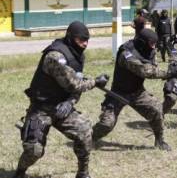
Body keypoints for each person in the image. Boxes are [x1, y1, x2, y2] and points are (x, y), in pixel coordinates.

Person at [14, 21, 109, 178]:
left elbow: (76, 83)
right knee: (34, 151)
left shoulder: (77, 55)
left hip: (62, 107)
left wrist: (70, 101)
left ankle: (83, 173)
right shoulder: (55, 56)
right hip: (41, 108)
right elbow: (75, 84)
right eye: (81, 40)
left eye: (87, 40)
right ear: (70, 37)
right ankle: (20, 172)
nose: (85, 44)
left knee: (84, 131)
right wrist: (95, 82)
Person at [92, 29, 172, 151]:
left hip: (137, 92)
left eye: (155, 43)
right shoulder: (126, 53)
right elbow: (145, 71)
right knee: (107, 123)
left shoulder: (149, 51)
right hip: (118, 92)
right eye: (151, 43)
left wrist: (174, 73)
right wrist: (167, 74)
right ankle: (89, 138)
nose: (154, 46)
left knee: (157, 110)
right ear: (142, 42)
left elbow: (153, 67)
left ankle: (159, 141)